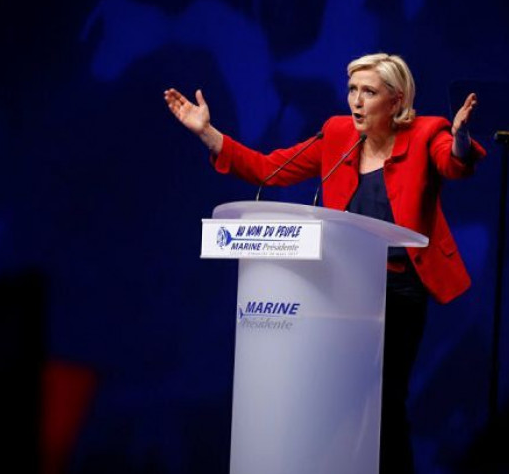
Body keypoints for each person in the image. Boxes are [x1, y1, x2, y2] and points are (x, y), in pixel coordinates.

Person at [164, 52, 486, 474]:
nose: (356, 100)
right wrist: (208, 133)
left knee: (383, 401)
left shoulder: (427, 132)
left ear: (396, 100)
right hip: (342, 287)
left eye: (368, 92)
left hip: (399, 291)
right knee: (335, 399)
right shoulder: (338, 134)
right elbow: (268, 169)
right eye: (352, 89)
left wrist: (461, 138)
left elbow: (454, 163)